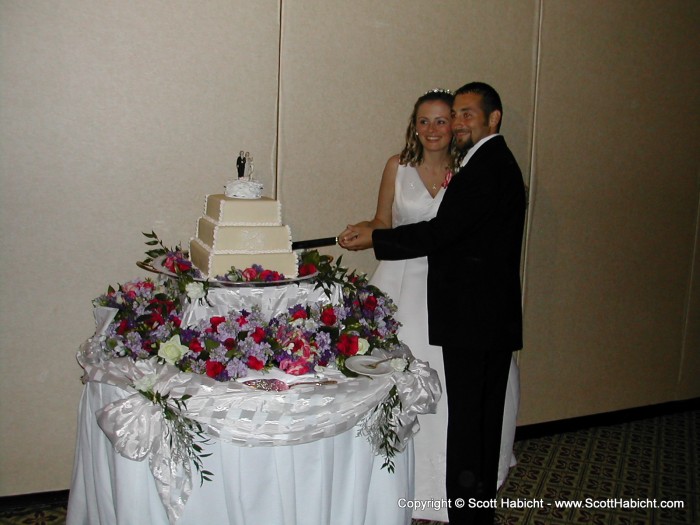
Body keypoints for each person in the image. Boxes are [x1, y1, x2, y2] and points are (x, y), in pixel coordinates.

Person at [341, 82, 526, 525]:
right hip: (418, 290)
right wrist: (367, 231)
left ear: (490, 119)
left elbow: (441, 233)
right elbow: (387, 221)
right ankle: (419, 490)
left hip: (458, 302)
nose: (440, 127)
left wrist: (380, 238)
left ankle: (454, 499)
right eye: (427, 120)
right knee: (435, 399)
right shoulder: (412, 165)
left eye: (452, 117)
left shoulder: (474, 168)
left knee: (460, 409)